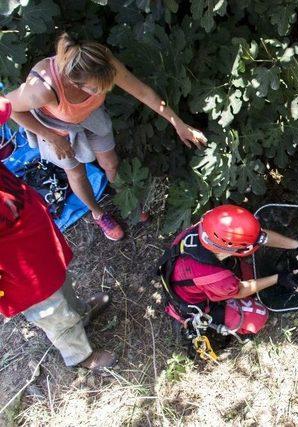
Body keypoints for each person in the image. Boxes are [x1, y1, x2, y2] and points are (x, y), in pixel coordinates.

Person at [4, 32, 208, 241]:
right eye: (95, 89)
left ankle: (126, 201)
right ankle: (98, 213)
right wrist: (50, 136)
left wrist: (178, 124)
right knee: (75, 172)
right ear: (74, 83)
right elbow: (7, 106)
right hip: (56, 127)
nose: (102, 91)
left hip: (89, 114)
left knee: (111, 163)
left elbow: (143, 92)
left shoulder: (100, 62)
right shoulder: (42, 90)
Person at [0, 97, 115, 371]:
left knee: (59, 282)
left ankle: (81, 313)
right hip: (16, 269)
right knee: (50, 310)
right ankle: (80, 355)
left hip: (31, 240)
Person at [159, 204, 298, 345]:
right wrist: (279, 278)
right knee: (258, 316)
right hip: (193, 303)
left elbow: (261, 237)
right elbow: (241, 290)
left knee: (249, 271)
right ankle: (217, 323)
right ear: (228, 248)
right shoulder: (215, 277)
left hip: (184, 276)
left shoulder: (208, 227)